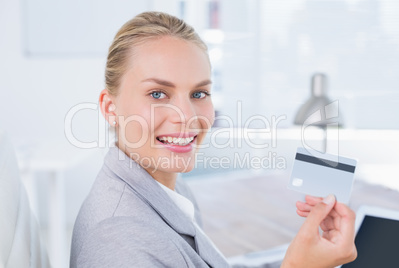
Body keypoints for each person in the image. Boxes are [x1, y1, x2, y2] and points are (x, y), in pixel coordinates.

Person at [70, 11, 357, 268]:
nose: (186, 115)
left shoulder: (172, 187)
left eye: (198, 94)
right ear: (110, 108)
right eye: (158, 94)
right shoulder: (119, 242)